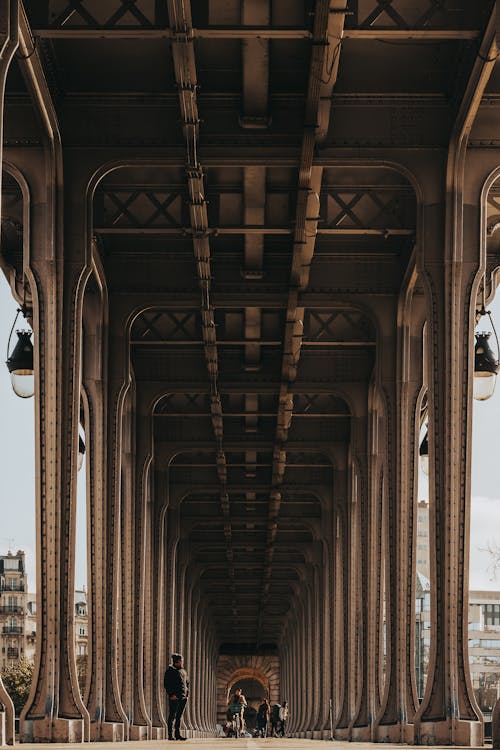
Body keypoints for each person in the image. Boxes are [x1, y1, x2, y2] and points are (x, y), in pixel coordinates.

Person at [164, 653, 189, 741]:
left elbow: (187, 683)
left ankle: (177, 734)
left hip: (183, 697)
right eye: (181, 661)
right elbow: (167, 684)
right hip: (175, 697)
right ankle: (170, 735)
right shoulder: (170, 671)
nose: (182, 662)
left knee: (179, 716)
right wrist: (171, 694)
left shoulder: (183, 671)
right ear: (177, 662)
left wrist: (187, 695)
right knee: (172, 715)